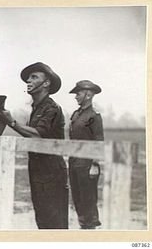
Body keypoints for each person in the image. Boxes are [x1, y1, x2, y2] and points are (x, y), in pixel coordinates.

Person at [0, 62, 68, 229]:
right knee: (43, 219)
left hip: (51, 173)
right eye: (28, 78)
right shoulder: (36, 108)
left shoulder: (52, 108)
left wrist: (12, 122)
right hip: (38, 170)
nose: (28, 81)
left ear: (46, 83)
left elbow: (38, 134)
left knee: (55, 223)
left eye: (34, 77)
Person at [68, 80, 104, 229]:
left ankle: (90, 229)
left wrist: (95, 164)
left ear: (88, 95)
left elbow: (98, 142)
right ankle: (83, 226)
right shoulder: (76, 114)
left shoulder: (94, 116)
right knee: (77, 197)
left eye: (79, 93)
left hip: (87, 164)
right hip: (74, 162)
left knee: (88, 198)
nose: (76, 96)